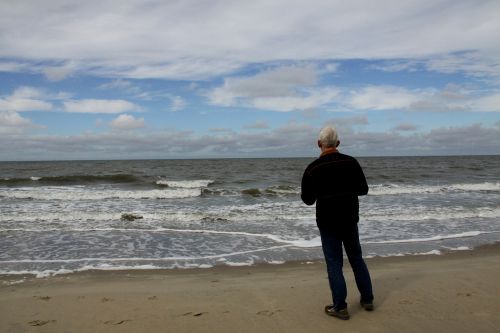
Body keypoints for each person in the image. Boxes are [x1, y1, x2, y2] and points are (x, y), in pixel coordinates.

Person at [301, 126, 374, 320]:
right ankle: (367, 299)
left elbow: (307, 200)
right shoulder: (351, 162)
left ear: (319, 144)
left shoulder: (312, 168)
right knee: (356, 258)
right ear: (338, 143)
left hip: (327, 221)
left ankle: (340, 306)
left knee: (334, 263)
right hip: (349, 218)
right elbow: (363, 190)